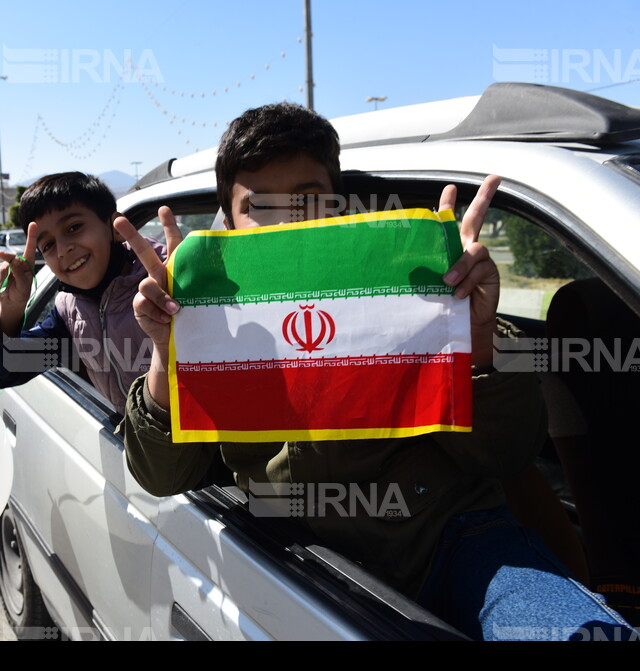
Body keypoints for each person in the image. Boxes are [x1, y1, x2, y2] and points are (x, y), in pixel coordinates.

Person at [113, 103, 637, 641]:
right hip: (301, 567)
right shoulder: (214, 325)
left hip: (457, 543)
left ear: (337, 207)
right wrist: (167, 352)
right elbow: (160, 477)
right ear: (229, 219)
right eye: (262, 208)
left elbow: (507, 454)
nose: (291, 222)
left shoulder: (420, 294)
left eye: (309, 201)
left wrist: (474, 342)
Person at [0, 171, 163, 411]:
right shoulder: (69, 315)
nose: (62, 250)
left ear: (116, 228)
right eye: (48, 245)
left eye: (73, 227)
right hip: (141, 444)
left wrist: (187, 290)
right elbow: (7, 370)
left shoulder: (164, 278)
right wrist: (12, 307)